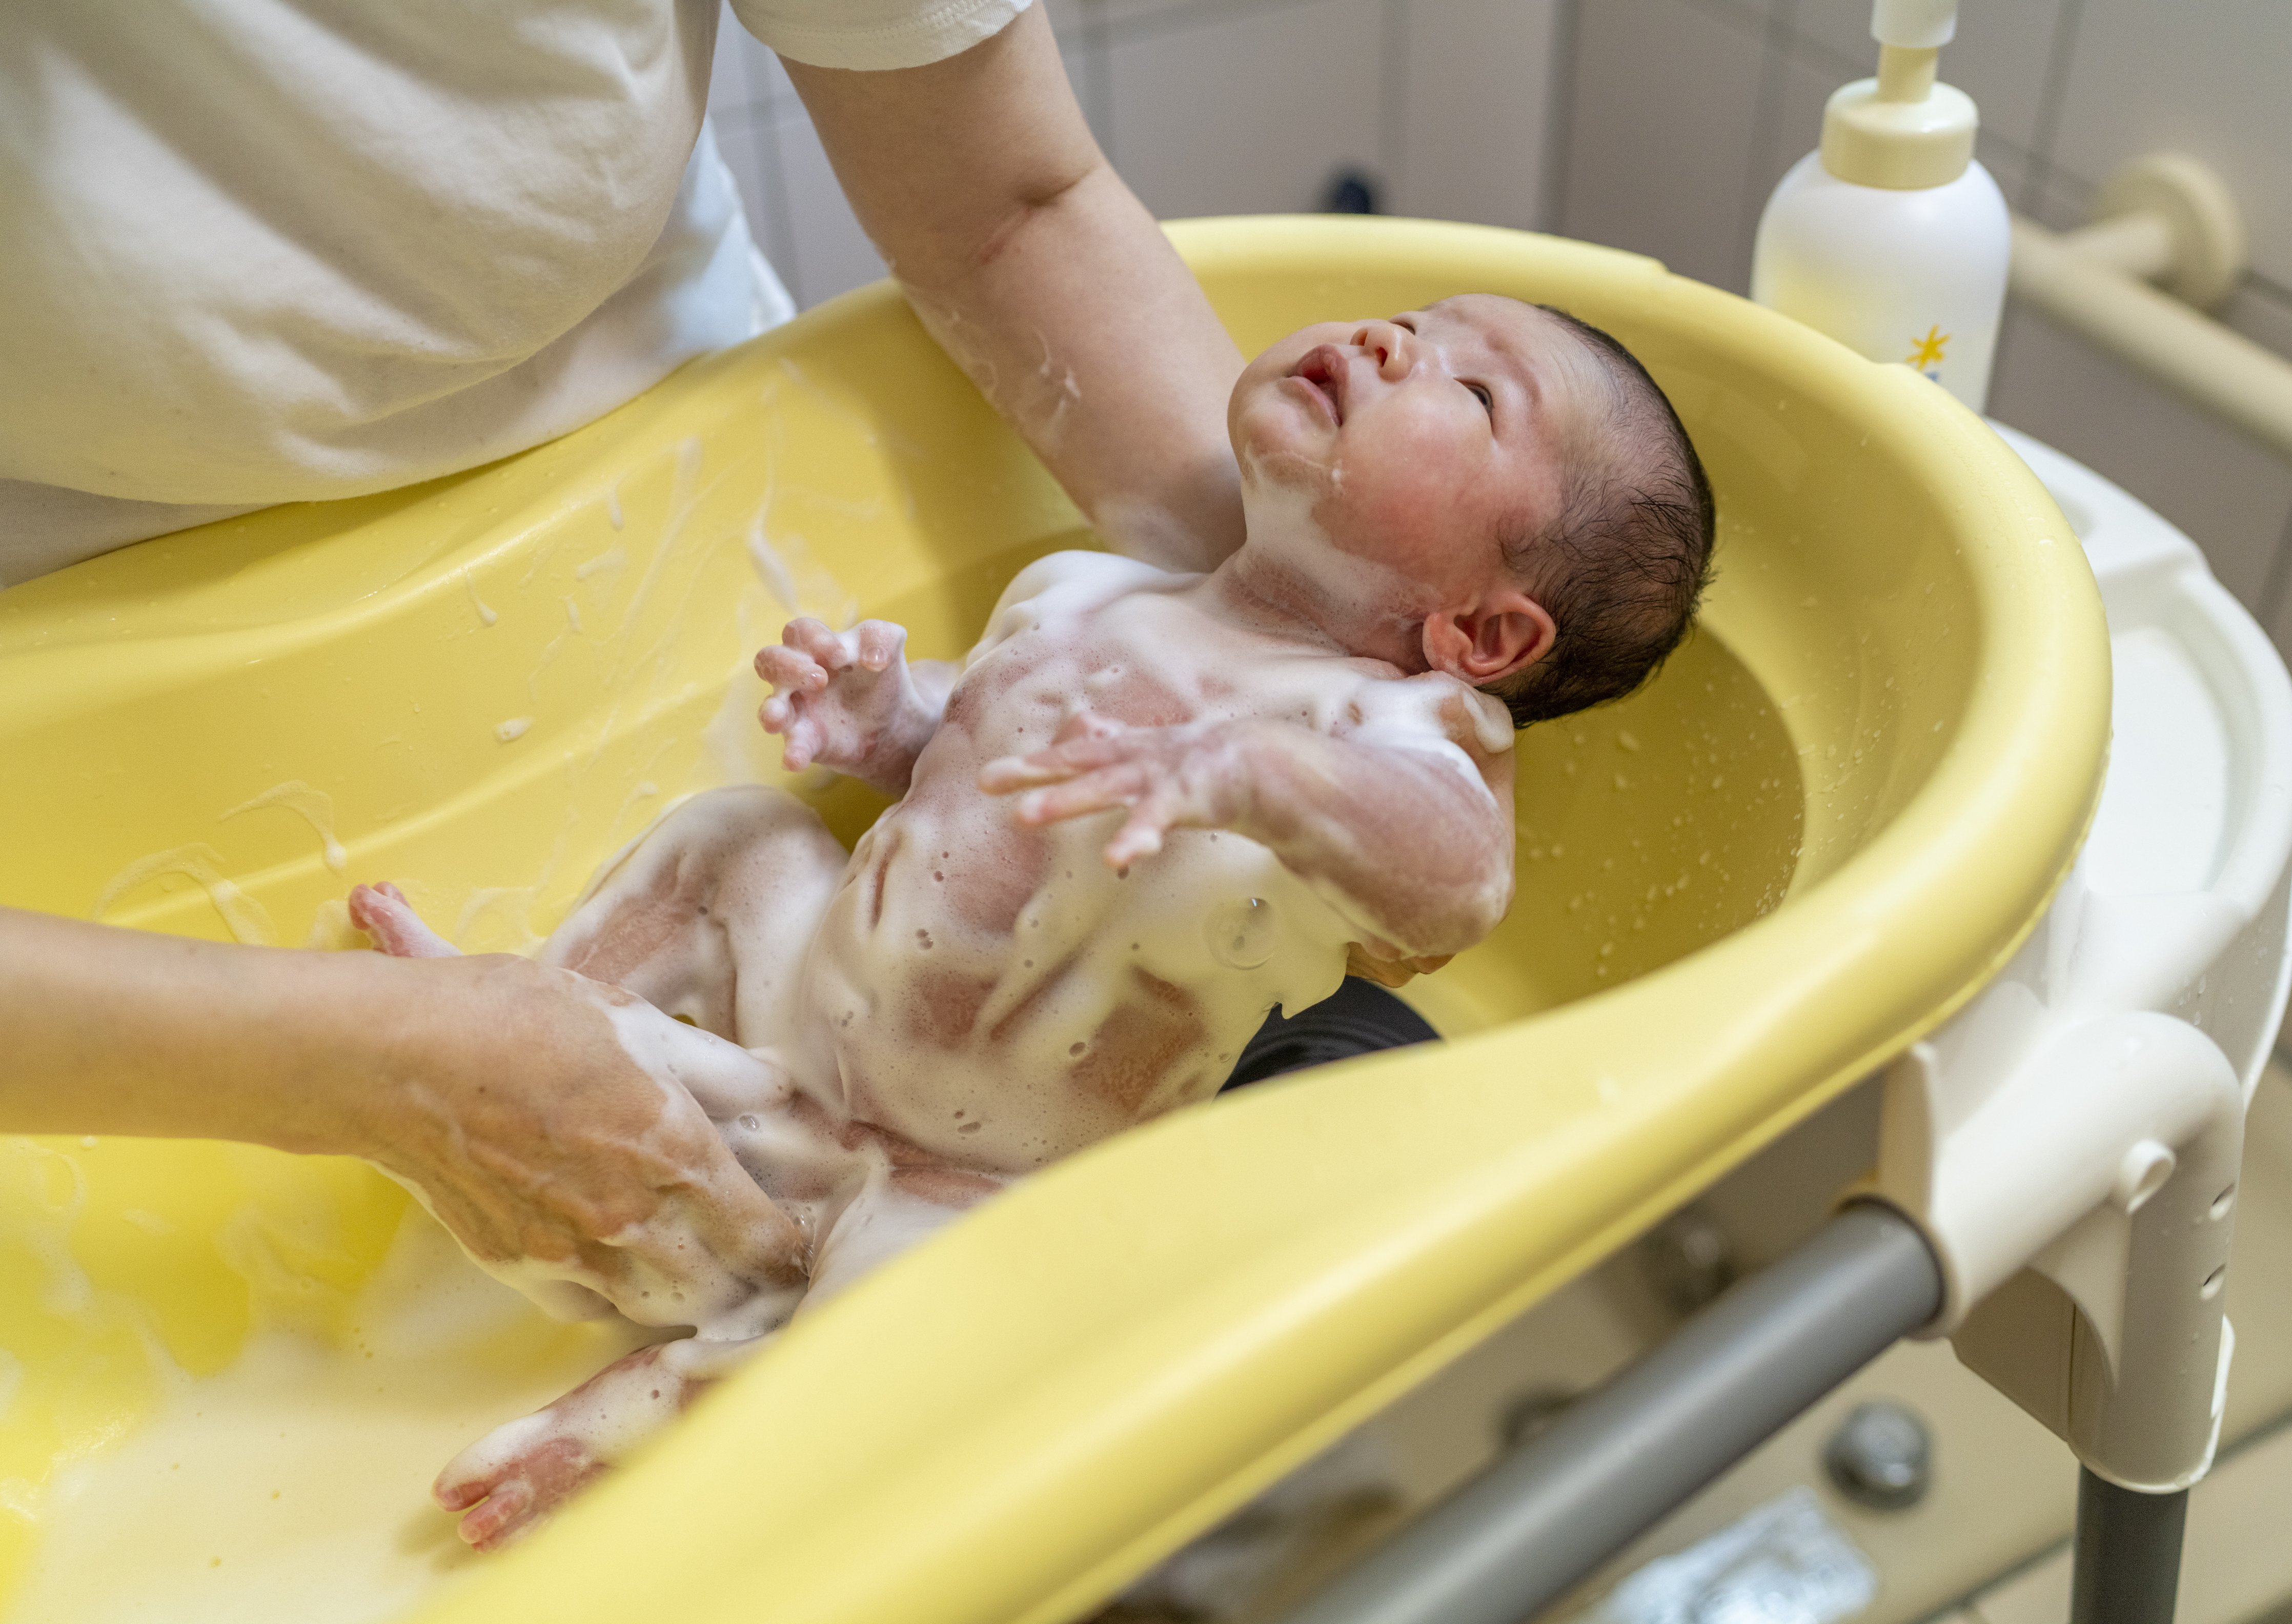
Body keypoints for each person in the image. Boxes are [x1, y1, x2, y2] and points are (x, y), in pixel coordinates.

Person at [339, 293, 1715, 1548]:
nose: (1394, 343)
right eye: (1416, 320)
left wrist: (1249, 775)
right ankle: (517, 1031)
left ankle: (654, 1424)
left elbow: (1456, 883)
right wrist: (883, 724)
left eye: (1478, 396)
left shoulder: (1401, 733)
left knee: (899, 1338)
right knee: (735, 836)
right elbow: (974, 754)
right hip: (804, 1033)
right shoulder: (1086, 592)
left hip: (977, 1187)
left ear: (1484, 638)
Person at [0, 0, 1252, 1325]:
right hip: (95, 734)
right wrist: (367, 1067)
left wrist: (1308, 641)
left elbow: (1010, 204)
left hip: (700, 516)